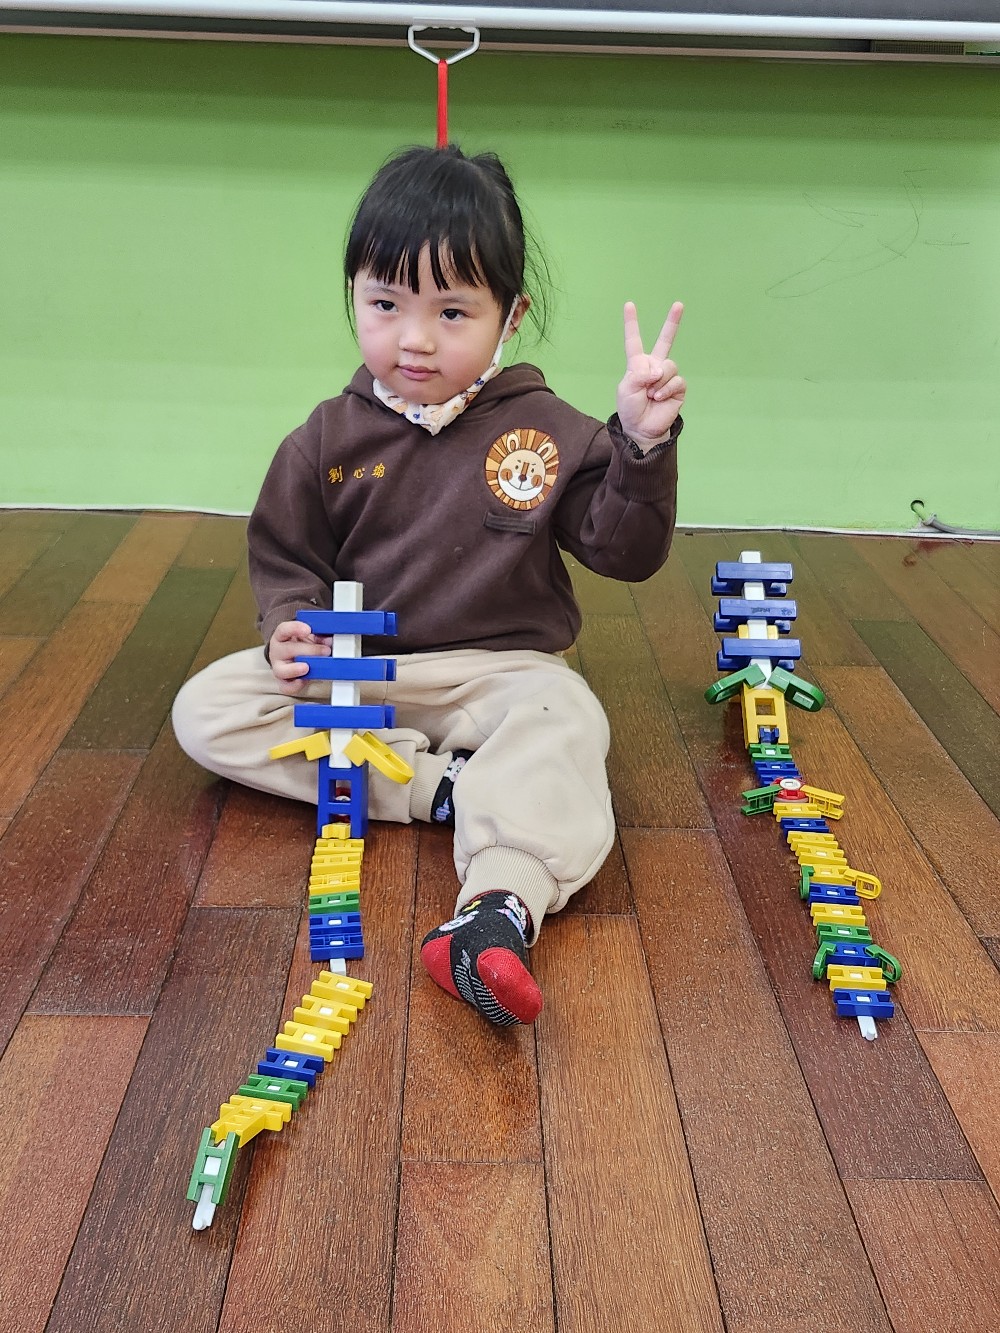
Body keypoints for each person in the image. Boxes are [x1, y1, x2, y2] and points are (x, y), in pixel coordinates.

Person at [172, 143, 685, 1029]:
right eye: (385, 304)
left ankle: (496, 910)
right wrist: (289, 623)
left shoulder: (549, 430)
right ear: (354, 296)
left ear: (511, 315)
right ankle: (437, 788)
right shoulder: (325, 438)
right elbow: (287, 555)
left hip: (501, 676)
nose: (414, 339)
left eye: (451, 311)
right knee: (206, 709)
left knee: (568, 716)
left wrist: (640, 444)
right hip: (361, 677)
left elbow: (625, 551)